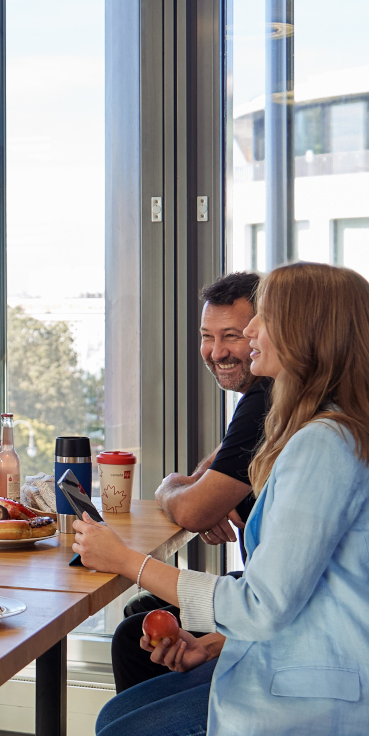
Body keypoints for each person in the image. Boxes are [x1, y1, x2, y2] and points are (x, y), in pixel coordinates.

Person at [58, 261, 369, 736]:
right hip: (352, 663)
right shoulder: (327, 429)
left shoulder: (325, 445)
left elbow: (266, 603)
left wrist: (127, 562)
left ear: (302, 334)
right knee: (116, 721)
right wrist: (216, 643)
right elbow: (315, 592)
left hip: (352, 697)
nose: (250, 336)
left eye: (262, 319)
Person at [109, 271, 270, 692]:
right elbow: (209, 476)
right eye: (207, 336)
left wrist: (170, 487)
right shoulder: (264, 400)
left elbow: (195, 508)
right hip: (272, 595)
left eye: (233, 335)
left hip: (278, 608)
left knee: (133, 637)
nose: (216, 352)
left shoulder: (267, 396)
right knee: (143, 614)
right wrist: (204, 491)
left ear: (263, 331)